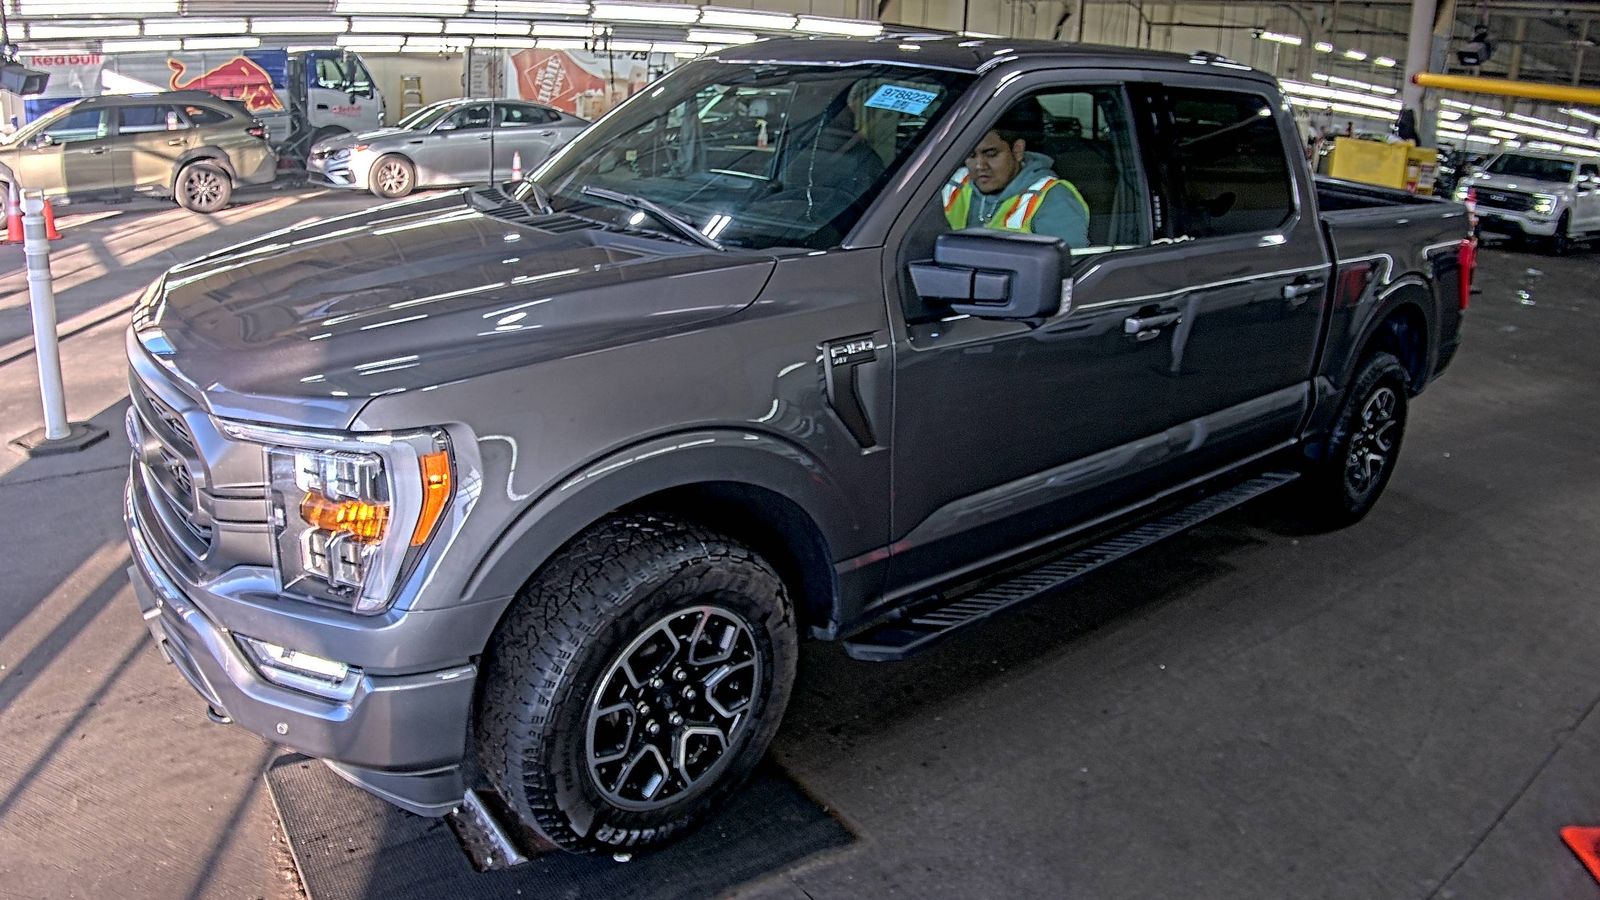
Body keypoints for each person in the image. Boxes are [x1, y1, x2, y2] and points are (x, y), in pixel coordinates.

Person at [941, 103, 1090, 247]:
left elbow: (1066, 267)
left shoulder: (1053, 199)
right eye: (971, 155)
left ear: (1017, 150)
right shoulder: (952, 183)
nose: (980, 165)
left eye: (991, 154)